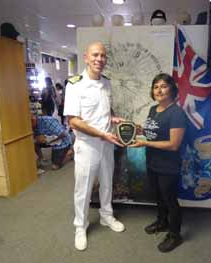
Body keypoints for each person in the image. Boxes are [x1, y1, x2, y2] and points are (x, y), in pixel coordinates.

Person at [63, 42, 125, 251]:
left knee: (107, 182)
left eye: (103, 56)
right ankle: (80, 226)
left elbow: (104, 110)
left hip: (107, 143)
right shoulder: (74, 84)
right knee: (84, 188)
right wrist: (101, 133)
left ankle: (106, 215)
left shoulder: (106, 83)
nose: (100, 59)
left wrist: (113, 118)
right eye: (95, 55)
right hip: (87, 145)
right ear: (86, 57)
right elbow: (74, 121)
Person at [129, 73, 188, 253]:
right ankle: (162, 222)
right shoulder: (153, 110)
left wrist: (145, 142)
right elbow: (152, 132)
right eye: (155, 87)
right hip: (152, 161)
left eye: (163, 86)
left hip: (168, 166)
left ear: (171, 89)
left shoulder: (177, 113)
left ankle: (174, 235)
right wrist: (139, 129)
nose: (159, 90)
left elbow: (173, 144)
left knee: (170, 200)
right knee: (158, 196)